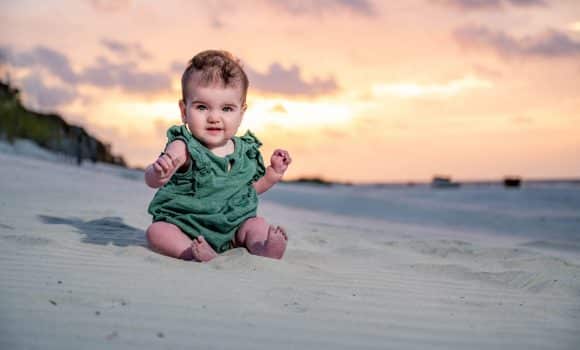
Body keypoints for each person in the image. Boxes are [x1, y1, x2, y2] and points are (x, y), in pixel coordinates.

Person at [144, 50, 292, 262]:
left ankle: (263, 248)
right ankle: (191, 252)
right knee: (157, 232)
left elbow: (247, 191)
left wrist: (273, 174)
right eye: (202, 107)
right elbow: (152, 176)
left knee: (256, 224)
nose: (214, 117)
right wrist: (158, 173)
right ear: (184, 110)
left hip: (232, 227)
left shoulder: (245, 152)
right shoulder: (183, 146)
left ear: (241, 113)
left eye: (227, 109)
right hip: (186, 226)